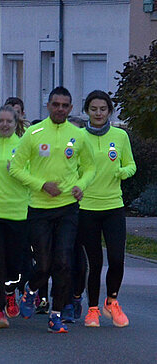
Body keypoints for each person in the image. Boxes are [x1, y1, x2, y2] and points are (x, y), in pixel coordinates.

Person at [10, 86, 95, 333]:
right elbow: (16, 168)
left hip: (68, 207)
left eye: (64, 105)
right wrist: (41, 185)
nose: (60, 109)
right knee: (44, 264)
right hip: (38, 208)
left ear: (70, 108)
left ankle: (56, 315)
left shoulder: (78, 135)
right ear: (48, 105)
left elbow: (89, 168)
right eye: (55, 104)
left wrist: (80, 185)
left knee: (64, 263)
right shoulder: (34, 133)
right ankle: (31, 290)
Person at [77, 90, 136, 328]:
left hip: (113, 206)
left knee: (117, 258)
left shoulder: (120, 136)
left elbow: (131, 165)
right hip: (87, 207)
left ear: (109, 111)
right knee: (94, 261)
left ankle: (112, 301)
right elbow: (69, 167)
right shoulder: (78, 136)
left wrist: (120, 172)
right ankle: (92, 309)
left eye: (102, 109)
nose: (98, 113)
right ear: (87, 111)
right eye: (94, 109)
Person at [0, 105, 30, 328]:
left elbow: (33, 176)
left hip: (17, 212)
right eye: (0, 121)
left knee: (15, 264)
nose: (3, 125)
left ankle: (10, 290)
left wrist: (20, 171)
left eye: (8, 121)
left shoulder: (22, 146)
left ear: (16, 122)